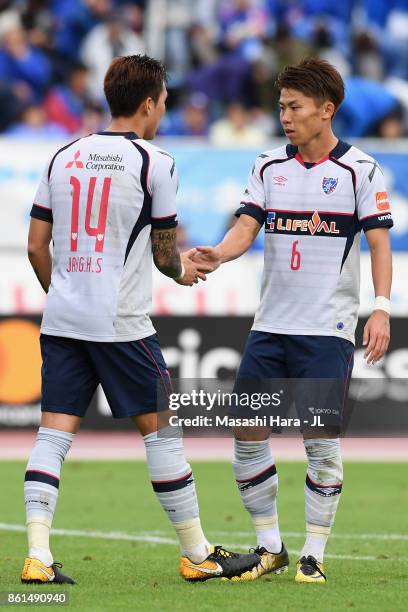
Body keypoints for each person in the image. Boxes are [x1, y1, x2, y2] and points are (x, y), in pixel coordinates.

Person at [22, 54, 259, 585]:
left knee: (53, 432)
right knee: (163, 434)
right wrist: (182, 273)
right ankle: (198, 554)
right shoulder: (156, 162)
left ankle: (37, 556)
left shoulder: (63, 154)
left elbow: (37, 246)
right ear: (149, 102)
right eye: (165, 101)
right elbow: (163, 252)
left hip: (63, 319)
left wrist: (63, 293)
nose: (164, 110)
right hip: (121, 321)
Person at [193, 58, 393, 584]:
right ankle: (269, 548)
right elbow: (245, 227)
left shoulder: (360, 170)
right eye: (281, 106)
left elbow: (379, 244)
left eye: (294, 107)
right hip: (270, 327)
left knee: (320, 441)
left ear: (326, 111)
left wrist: (381, 308)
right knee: (247, 430)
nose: (284, 116)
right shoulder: (267, 166)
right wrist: (220, 253)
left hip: (325, 330)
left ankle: (313, 553)